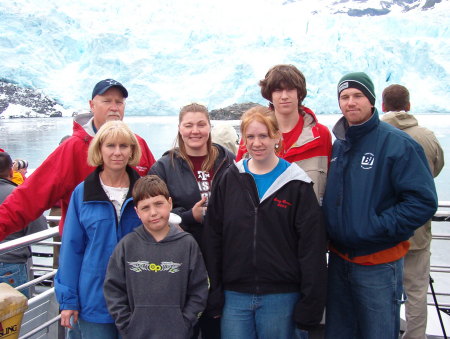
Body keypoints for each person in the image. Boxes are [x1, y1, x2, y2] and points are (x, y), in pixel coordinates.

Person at [322, 72, 438, 339]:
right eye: (344, 97)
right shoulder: (340, 145)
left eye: (358, 96)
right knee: (340, 333)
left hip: (378, 264)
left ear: (372, 100)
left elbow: (422, 201)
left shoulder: (398, 144)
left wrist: (376, 227)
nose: (351, 102)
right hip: (339, 260)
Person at [203, 106, 328, 339]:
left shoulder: (296, 184)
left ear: (276, 137)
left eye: (264, 136)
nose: (257, 143)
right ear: (243, 140)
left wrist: (310, 303)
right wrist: (215, 290)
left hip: (281, 296)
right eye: (250, 136)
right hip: (235, 296)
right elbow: (213, 237)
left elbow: (312, 249)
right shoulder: (230, 179)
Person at [0, 79, 156, 241]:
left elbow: (159, 190)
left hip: (135, 252)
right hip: (87, 251)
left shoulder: (138, 144)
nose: (114, 107)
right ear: (92, 105)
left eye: (119, 102)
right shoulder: (72, 149)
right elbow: (29, 198)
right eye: (107, 101)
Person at [149, 102, 235, 339]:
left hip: (222, 257)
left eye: (201, 124)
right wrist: (189, 216)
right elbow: (152, 209)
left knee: (215, 326)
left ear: (210, 126)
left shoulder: (227, 160)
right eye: (188, 125)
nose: (194, 131)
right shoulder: (165, 166)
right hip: (181, 258)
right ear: (179, 128)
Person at [54, 121, 143, 338]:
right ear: (99, 150)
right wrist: (69, 300)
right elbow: (72, 249)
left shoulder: (143, 190)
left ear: (132, 150)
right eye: (110, 146)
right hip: (94, 297)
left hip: (136, 298)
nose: (117, 152)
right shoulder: (83, 193)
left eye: (124, 146)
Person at [104, 175, 209, 339]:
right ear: (137, 212)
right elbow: (113, 289)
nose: (153, 212)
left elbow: (200, 288)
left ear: (170, 203)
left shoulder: (187, 244)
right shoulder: (126, 246)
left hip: (178, 333)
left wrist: (185, 322)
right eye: (145, 208)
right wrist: (127, 325)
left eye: (159, 204)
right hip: (135, 334)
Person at [381, 84, 444, 339]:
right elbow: (437, 169)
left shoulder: (378, 135)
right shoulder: (427, 136)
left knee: (384, 293)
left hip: (384, 229)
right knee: (417, 292)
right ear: (409, 105)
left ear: (382, 106)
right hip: (418, 229)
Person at [236, 64, 332, 204]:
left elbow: (331, 186)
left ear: (299, 93)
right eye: (278, 90)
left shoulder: (320, 136)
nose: (284, 96)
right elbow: (238, 183)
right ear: (269, 95)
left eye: (290, 89)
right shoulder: (253, 136)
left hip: (307, 222)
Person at [0, 152, 47, 298]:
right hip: (11, 262)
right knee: (14, 316)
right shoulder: (18, 195)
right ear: (11, 170)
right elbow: (39, 229)